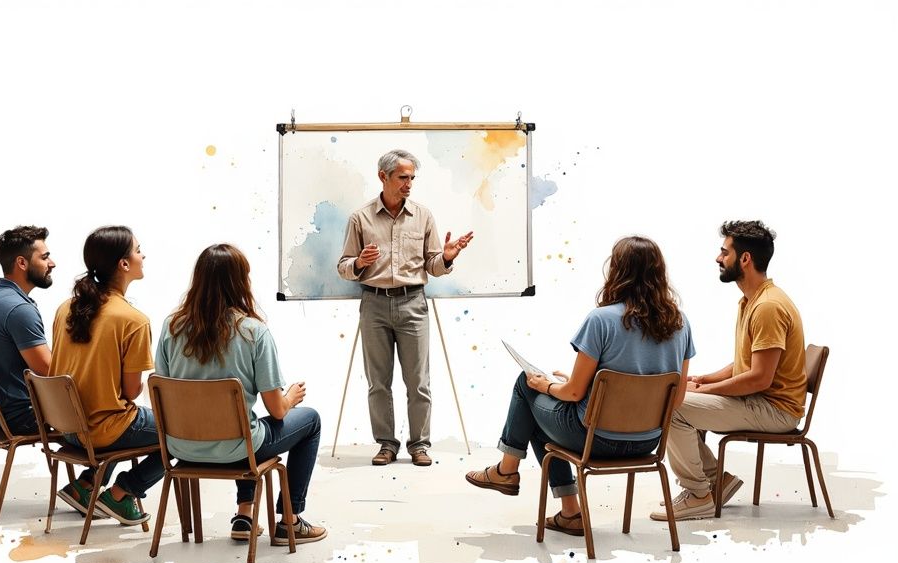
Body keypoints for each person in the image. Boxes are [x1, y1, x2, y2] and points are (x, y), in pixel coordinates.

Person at [465, 236, 694, 537]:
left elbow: (574, 393)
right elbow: (676, 399)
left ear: (617, 270)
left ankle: (507, 472)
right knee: (536, 407)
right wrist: (571, 386)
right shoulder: (680, 322)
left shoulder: (601, 320)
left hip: (595, 439)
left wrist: (547, 385)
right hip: (647, 443)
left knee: (527, 388)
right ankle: (565, 511)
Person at [155, 244, 327, 545]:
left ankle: (245, 515)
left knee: (245, 424)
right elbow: (277, 411)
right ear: (240, 282)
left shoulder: (172, 327)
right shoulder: (253, 332)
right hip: (237, 449)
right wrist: (290, 396)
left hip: (181, 446)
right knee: (309, 420)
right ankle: (290, 520)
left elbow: (162, 388)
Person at [651, 220, 805, 521]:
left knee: (673, 406)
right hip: (763, 401)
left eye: (725, 252)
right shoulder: (753, 300)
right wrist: (703, 379)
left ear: (744, 259)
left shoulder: (768, 307)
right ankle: (716, 482)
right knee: (680, 397)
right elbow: (746, 364)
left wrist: (705, 391)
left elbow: (760, 378)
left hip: (775, 410)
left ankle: (699, 495)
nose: (718, 259)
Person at [337, 149, 474, 467]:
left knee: (419, 381)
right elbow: (343, 266)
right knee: (378, 382)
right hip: (373, 304)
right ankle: (386, 444)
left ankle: (419, 445)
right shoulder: (361, 218)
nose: (409, 184)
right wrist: (358, 262)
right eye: (402, 177)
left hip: (413, 302)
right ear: (383, 177)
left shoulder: (424, 216)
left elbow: (434, 266)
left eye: (412, 178)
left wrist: (448, 256)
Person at [48, 225, 164, 526]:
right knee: (183, 433)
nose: (143, 255)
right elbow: (130, 392)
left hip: (69, 428)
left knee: (115, 413)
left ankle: (85, 484)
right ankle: (122, 493)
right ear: (123, 264)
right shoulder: (133, 321)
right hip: (102, 431)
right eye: (138, 250)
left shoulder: (65, 309)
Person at [0, 225, 55, 435]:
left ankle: (96, 469)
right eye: (44, 258)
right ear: (22, 263)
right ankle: (98, 469)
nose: (52, 263)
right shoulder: (19, 309)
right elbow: (51, 374)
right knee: (104, 416)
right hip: (22, 417)